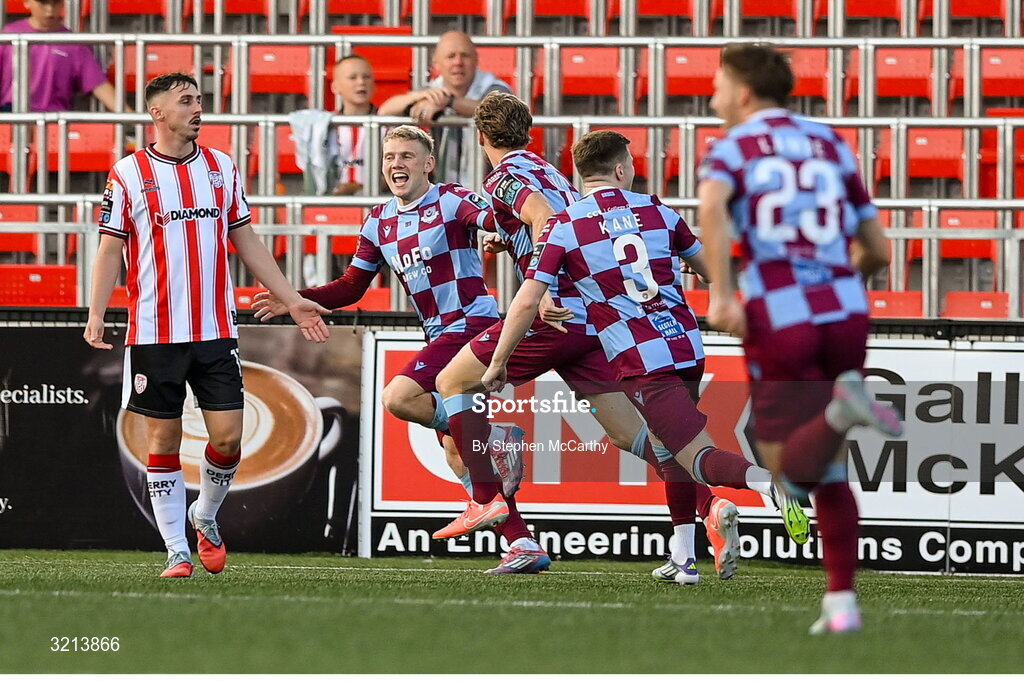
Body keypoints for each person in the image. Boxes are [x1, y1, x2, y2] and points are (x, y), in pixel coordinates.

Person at [434, 92, 742, 581]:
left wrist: (546, 286)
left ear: (481, 137)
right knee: (637, 435)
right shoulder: (550, 171)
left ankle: (486, 497)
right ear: (528, 132)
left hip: (553, 315)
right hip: (597, 319)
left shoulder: (503, 176)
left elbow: (544, 220)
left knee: (447, 385)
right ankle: (708, 506)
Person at [480, 130, 814, 564]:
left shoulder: (567, 226)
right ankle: (683, 558)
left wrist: (499, 362)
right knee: (665, 448)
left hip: (642, 361)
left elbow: (528, 299)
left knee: (696, 457)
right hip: (686, 347)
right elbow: (711, 272)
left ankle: (770, 482)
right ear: (621, 169)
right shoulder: (658, 209)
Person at [83, 73, 330, 579]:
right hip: (154, 332)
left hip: (216, 328)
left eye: (199, 99)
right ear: (158, 114)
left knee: (229, 438)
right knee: (164, 440)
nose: (198, 108)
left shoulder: (220, 168)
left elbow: (247, 239)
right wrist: (96, 312)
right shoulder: (127, 174)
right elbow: (110, 246)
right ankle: (176, 549)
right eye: (186, 101)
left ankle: (206, 516)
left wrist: (294, 299)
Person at [697, 44, 901, 634]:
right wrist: (832, 282)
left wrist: (725, 294)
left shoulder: (732, 148)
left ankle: (843, 412)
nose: (712, 101)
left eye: (717, 88)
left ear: (742, 92)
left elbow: (712, 208)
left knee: (787, 470)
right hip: (844, 309)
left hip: (779, 312)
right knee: (828, 469)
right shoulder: (829, 140)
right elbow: (878, 250)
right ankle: (841, 606)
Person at [253, 125, 521, 535]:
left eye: (407, 156)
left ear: (428, 164)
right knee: (458, 451)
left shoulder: (451, 199)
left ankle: (495, 437)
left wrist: (502, 233)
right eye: (390, 157)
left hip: (472, 324)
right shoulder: (378, 222)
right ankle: (520, 542)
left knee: (398, 397)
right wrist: (293, 298)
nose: (397, 164)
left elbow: (496, 219)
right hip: (438, 335)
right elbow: (351, 287)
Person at [379, 31, 511, 185]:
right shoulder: (433, 90)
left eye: (465, 56)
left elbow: (498, 110)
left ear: (476, 60)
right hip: (445, 192)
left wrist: (448, 102)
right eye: (451, 56)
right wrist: (418, 97)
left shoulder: (495, 86)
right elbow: (385, 111)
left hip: (494, 191)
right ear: (436, 63)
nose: (458, 62)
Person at [0, 0, 128, 112]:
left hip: (55, 119)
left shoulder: (74, 44)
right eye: (43, 2)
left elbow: (98, 85)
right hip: (11, 114)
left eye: (55, 2)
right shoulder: (8, 36)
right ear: (26, 2)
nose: (49, 9)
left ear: (62, 3)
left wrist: (134, 118)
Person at [330, 54, 377, 196]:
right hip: (333, 205)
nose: (361, 82)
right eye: (353, 77)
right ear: (335, 87)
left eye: (366, 77)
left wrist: (357, 188)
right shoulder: (325, 126)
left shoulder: (391, 125)